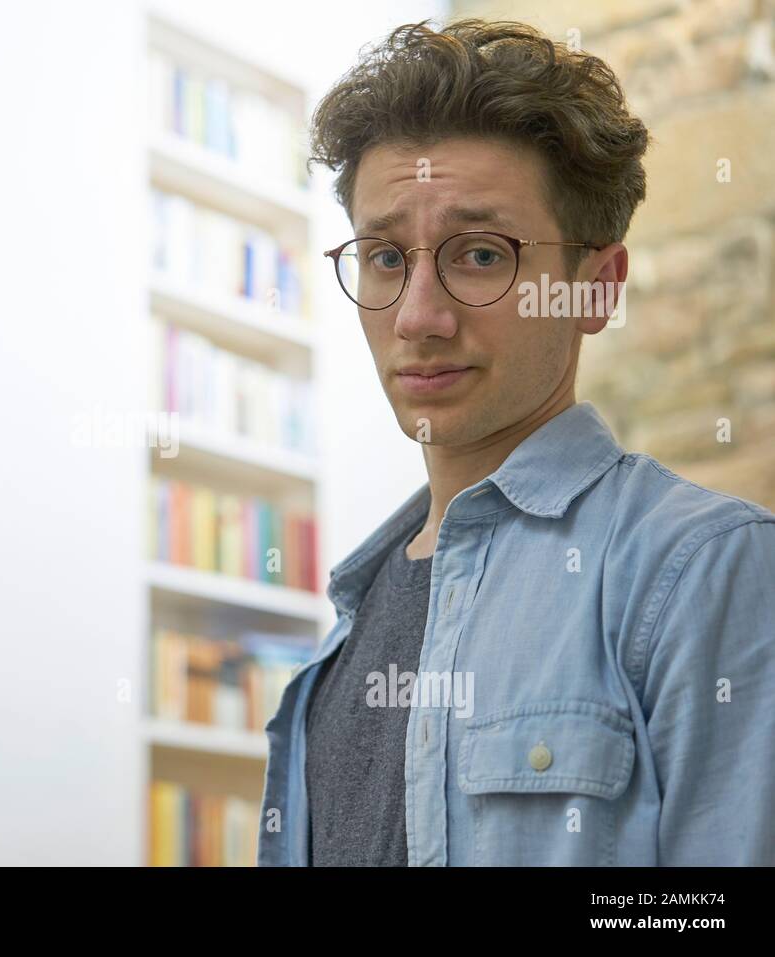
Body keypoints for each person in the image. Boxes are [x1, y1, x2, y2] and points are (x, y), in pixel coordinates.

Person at [258, 18, 775, 866]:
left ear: (596, 288)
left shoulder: (703, 569)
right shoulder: (342, 631)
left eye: (482, 254)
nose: (420, 316)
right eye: (386, 257)